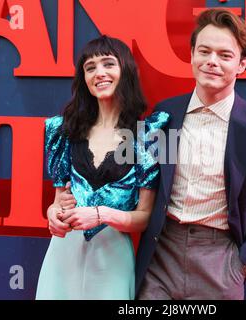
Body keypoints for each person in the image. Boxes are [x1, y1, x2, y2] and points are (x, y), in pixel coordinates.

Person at [134, 9, 246, 300]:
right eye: (204, 51)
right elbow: (145, 182)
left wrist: (243, 265)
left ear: (242, 63)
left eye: (224, 55)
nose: (211, 62)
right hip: (160, 255)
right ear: (192, 54)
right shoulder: (165, 115)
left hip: (221, 262)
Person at [36, 35, 170, 300]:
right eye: (90, 67)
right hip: (64, 254)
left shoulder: (150, 133)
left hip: (113, 258)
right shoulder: (63, 130)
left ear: (126, 70)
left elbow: (146, 218)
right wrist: (52, 214)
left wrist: (101, 215)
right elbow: (58, 201)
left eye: (109, 64)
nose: (99, 73)